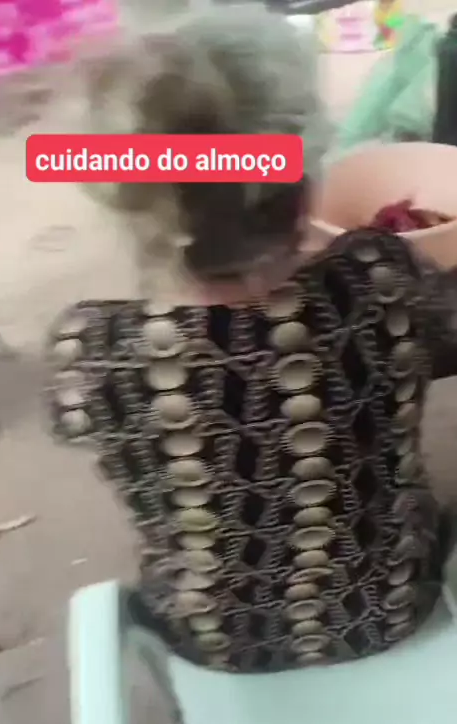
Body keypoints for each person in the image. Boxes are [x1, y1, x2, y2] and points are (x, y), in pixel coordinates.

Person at [47, 3, 457, 673]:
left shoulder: (89, 350)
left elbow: (80, 427)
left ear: (134, 209)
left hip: (221, 641)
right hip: (389, 610)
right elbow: (438, 340)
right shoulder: (384, 276)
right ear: (305, 187)